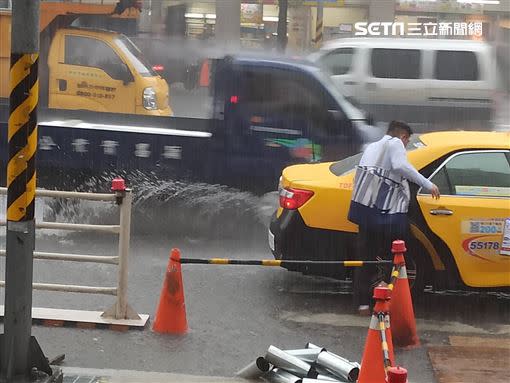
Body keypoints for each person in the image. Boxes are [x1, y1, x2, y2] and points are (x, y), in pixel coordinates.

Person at [348, 120, 440, 316]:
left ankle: (362, 303)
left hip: (366, 210)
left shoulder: (372, 146)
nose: (405, 147)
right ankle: (388, 298)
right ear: (403, 137)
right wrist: (427, 184)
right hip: (386, 213)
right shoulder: (395, 143)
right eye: (406, 143)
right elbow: (400, 166)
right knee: (397, 254)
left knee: (366, 257)